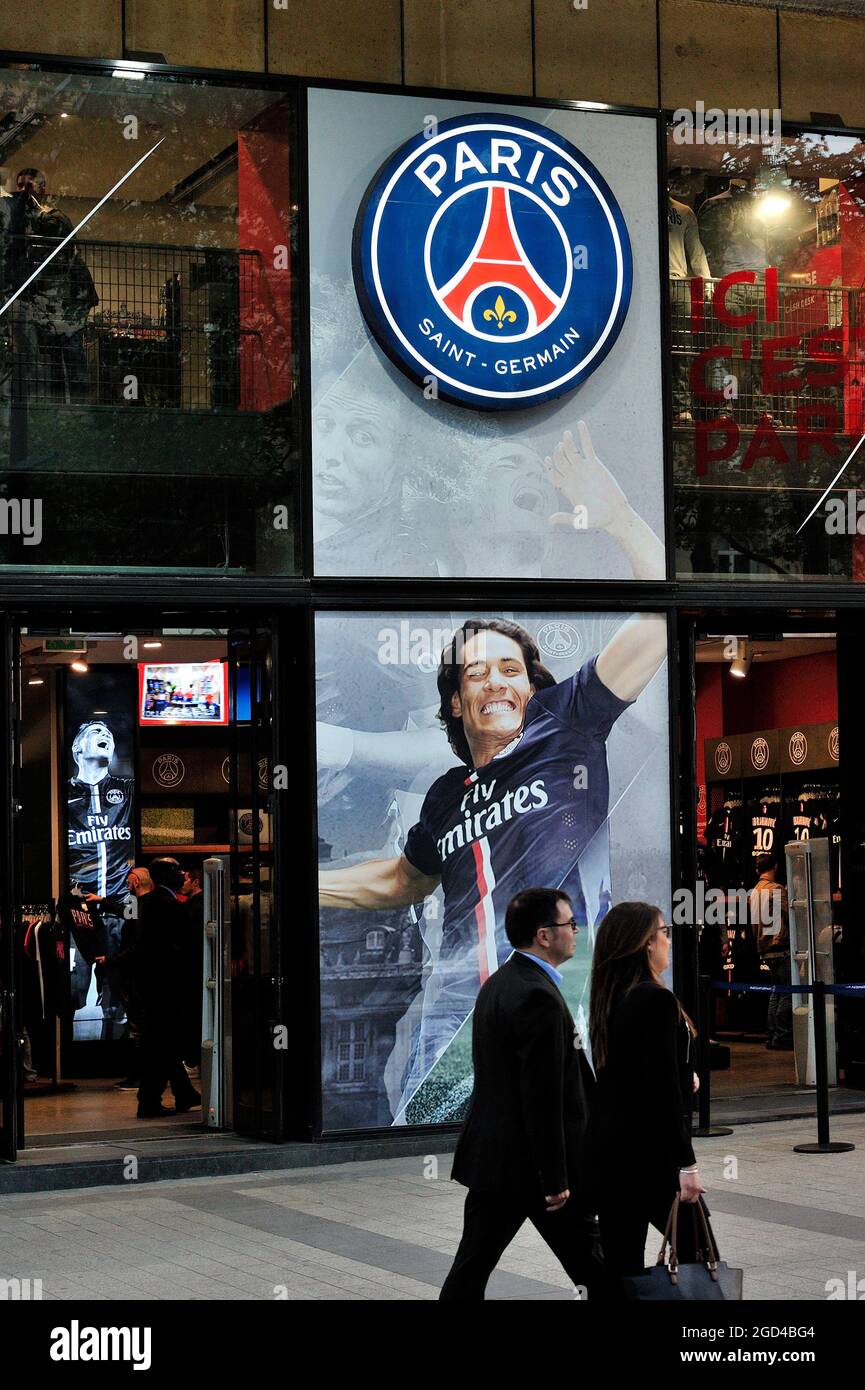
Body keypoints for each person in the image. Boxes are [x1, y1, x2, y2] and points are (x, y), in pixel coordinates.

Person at [440, 888, 600, 1301]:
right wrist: (554, 1177)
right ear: (544, 935)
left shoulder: (502, 983)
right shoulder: (536, 996)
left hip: (497, 1165)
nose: (576, 931)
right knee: (595, 1271)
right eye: (570, 924)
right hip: (533, 1170)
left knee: (470, 1270)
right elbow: (541, 1094)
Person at [587, 901, 704, 1288]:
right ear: (645, 943)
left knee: (622, 1267)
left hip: (614, 1156)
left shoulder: (612, 997)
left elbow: (630, 1073)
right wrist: (686, 1164)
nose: (670, 940)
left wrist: (684, 1073)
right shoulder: (653, 998)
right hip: (652, 1156)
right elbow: (661, 1090)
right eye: (664, 932)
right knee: (696, 1255)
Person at [134, 857, 201, 1119]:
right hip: (164, 988)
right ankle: (149, 1100)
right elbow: (178, 947)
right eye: (177, 870)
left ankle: (183, 1093)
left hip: (154, 986)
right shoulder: (166, 903)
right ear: (165, 875)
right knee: (162, 1044)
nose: (182, 874)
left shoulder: (153, 901)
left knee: (163, 1044)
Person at [750, 855, 793, 1050]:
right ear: (775, 866)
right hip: (780, 948)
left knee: (776, 992)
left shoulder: (755, 892)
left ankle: (772, 1034)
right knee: (786, 993)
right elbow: (792, 913)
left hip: (764, 948)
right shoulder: (776, 890)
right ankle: (781, 1036)